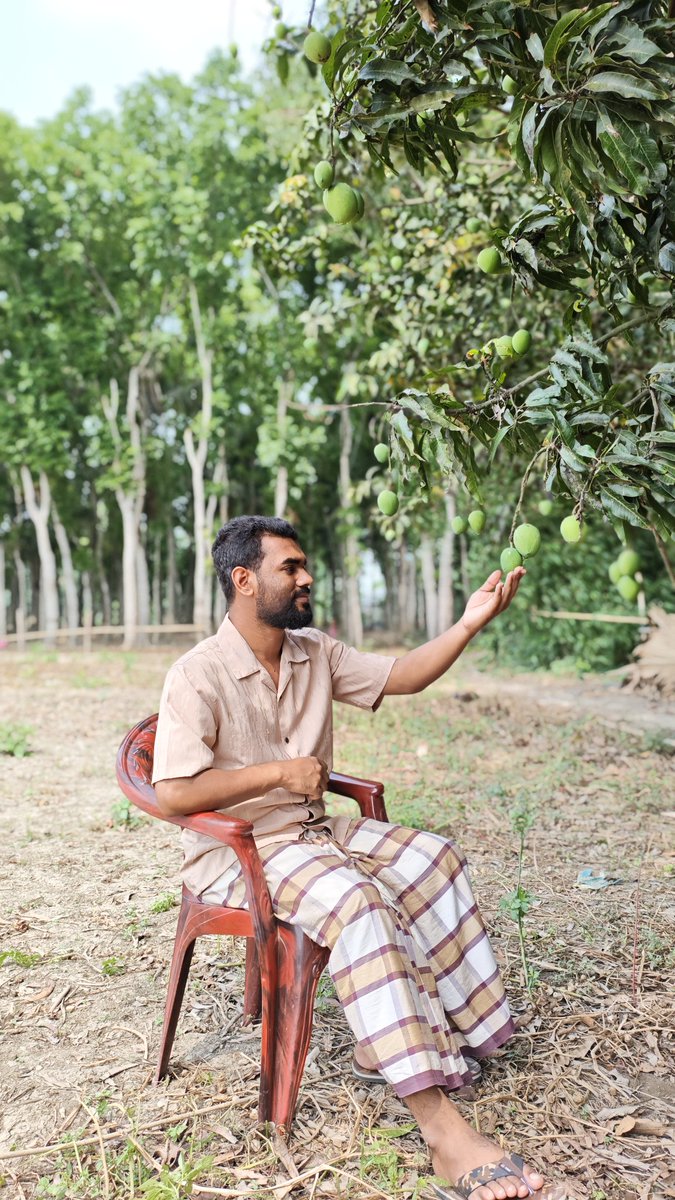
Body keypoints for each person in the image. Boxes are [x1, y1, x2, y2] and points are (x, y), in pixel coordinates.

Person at [153, 515, 565, 1200]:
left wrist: (471, 623)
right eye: (289, 567)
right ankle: (440, 1129)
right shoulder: (196, 674)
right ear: (244, 580)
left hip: (315, 834)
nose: (306, 576)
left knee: (432, 858)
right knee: (358, 903)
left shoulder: (313, 651)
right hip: (245, 853)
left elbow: (402, 676)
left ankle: (436, 1038)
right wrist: (277, 774)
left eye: (304, 565)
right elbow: (172, 791)